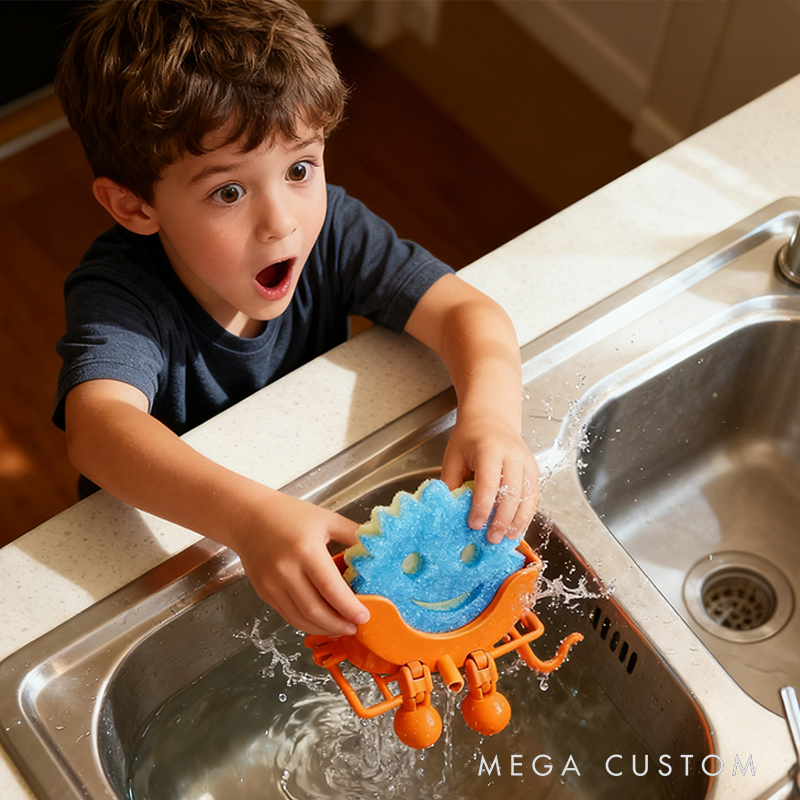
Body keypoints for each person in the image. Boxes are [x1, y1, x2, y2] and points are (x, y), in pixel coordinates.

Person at [53, 0, 540, 639]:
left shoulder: (332, 227)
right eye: (229, 191)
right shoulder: (122, 292)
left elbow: (466, 312)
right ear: (134, 204)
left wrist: (493, 417)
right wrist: (249, 519)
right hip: (167, 552)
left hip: (283, 513)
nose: (282, 221)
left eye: (300, 168)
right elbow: (98, 429)